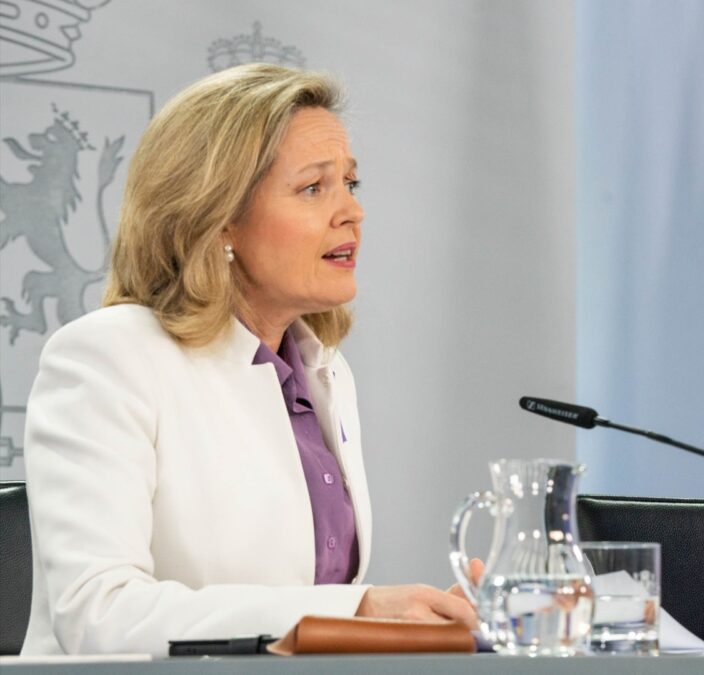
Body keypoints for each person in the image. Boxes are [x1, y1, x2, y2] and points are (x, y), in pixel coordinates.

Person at [21, 64, 478, 657]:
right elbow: (98, 614)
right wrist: (358, 608)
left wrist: (430, 619)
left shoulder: (324, 369)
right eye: (314, 188)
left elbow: (304, 612)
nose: (352, 213)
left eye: (351, 184)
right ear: (220, 220)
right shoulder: (108, 356)